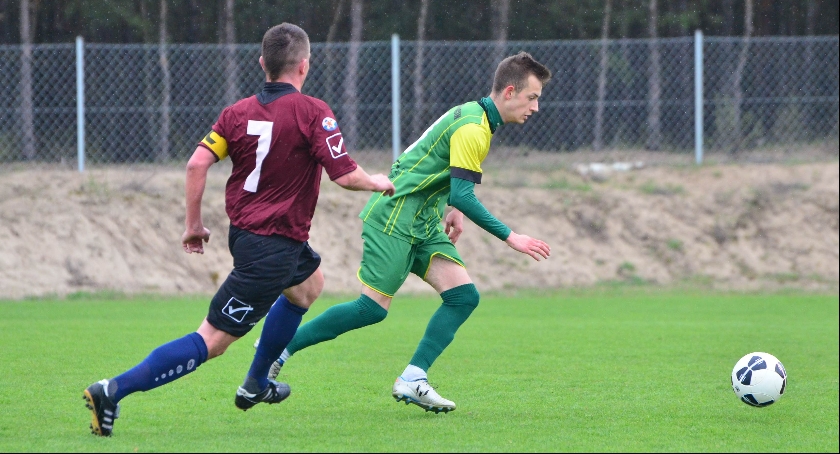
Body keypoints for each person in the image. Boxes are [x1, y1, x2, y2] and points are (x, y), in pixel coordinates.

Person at [82, 22, 395, 437]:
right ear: (304, 65)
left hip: (253, 237)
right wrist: (377, 181)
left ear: (263, 63)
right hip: (271, 249)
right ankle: (111, 390)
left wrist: (193, 225)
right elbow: (345, 175)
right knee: (212, 340)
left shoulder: (236, 113)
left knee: (307, 287)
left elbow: (196, 164)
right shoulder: (313, 111)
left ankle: (256, 383)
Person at [262, 51, 552, 413]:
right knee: (371, 309)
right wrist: (512, 237)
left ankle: (413, 378)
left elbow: (445, 175)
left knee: (463, 296)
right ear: (510, 92)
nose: (536, 107)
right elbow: (462, 191)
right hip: (395, 217)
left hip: (423, 221)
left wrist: (454, 209)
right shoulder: (473, 127)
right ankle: (276, 349)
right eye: (532, 97)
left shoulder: (477, 118)